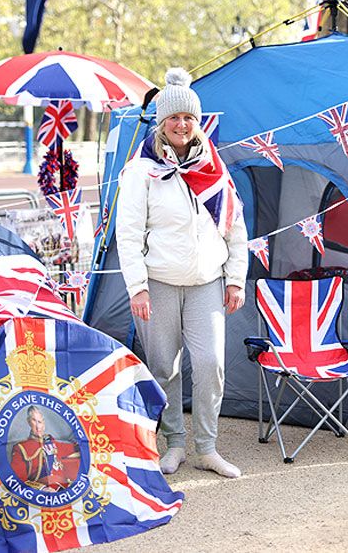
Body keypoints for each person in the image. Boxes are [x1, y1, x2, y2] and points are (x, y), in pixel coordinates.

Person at [116, 68, 248, 478]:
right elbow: (128, 233)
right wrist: (137, 287)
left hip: (207, 282)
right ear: (162, 122)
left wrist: (236, 277)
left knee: (210, 363)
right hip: (158, 284)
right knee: (163, 367)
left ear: (197, 122)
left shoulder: (212, 166)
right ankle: (174, 443)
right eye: (174, 117)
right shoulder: (142, 170)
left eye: (188, 118)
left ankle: (207, 447)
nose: (181, 124)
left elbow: (235, 226)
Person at [10, 405, 80, 491]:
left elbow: (73, 448)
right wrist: (42, 489)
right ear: (29, 422)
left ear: (44, 423)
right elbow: (17, 480)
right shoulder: (21, 448)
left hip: (63, 490)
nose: (38, 426)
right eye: (34, 421)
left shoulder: (51, 442)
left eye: (40, 422)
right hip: (40, 495)